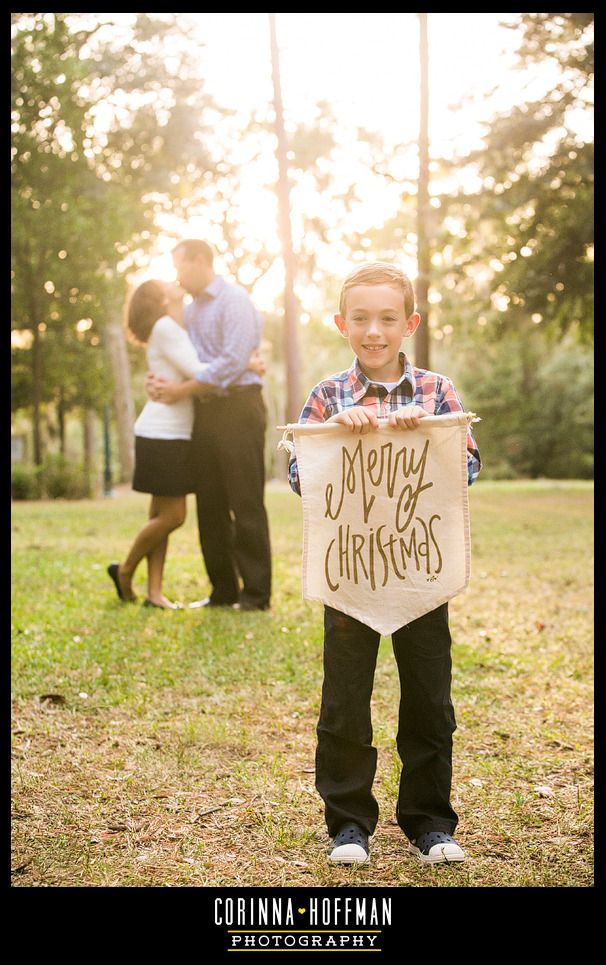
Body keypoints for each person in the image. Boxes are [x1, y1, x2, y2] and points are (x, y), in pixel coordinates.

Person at [287, 262, 482, 865]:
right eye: (362, 319)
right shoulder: (326, 396)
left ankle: (430, 823)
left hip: (420, 572)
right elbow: (301, 476)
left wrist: (422, 433)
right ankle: (348, 824)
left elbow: (467, 468)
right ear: (343, 324)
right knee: (344, 698)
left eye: (388, 319)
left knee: (429, 697)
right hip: (350, 575)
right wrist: (340, 437)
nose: (375, 331)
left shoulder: (437, 392)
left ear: (410, 324)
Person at [107, 278, 265, 610]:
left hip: (170, 431)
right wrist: (246, 364)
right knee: (173, 516)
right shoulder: (167, 327)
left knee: (159, 514)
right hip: (165, 433)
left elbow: (185, 369)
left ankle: (154, 593)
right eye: (168, 283)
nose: (176, 280)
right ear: (162, 299)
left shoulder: (178, 325)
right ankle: (124, 570)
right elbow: (199, 369)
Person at [145, 240, 272, 612]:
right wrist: (161, 383)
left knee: (245, 500)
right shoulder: (190, 310)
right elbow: (187, 358)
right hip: (203, 412)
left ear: (200, 261)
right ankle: (223, 591)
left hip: (239, 408)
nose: (177, 276)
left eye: (180, 267)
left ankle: (256, 594)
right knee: (210, 504)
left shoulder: (234, 301)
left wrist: (182, 388)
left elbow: (232, 361)